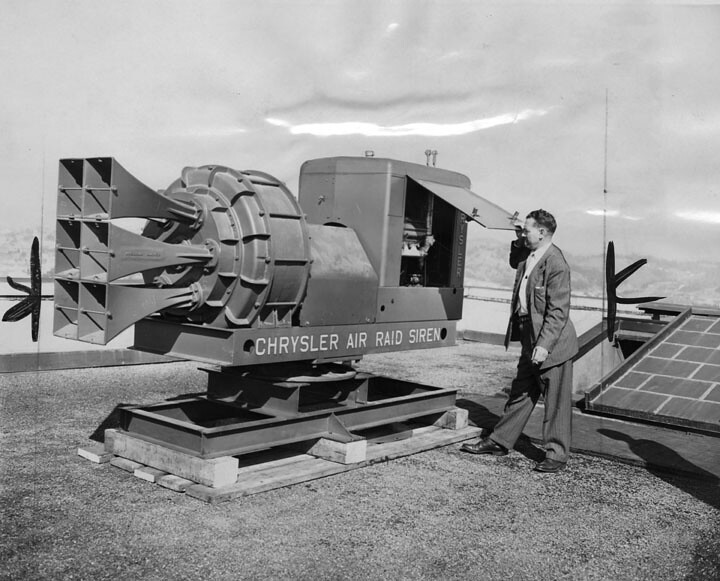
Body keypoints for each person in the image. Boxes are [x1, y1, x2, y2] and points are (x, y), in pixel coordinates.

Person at [461, 209, 578, 473]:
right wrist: (517, 238)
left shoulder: (555, 262)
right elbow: (515, 261)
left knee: (556, 401)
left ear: (542, 232)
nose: (524, 232)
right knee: (522, 392)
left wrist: (544, 346)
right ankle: (499, 441)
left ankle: (556, 455)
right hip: (530, 336)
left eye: (527, 229)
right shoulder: (529, 255)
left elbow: (558, 311)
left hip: (553, 342)